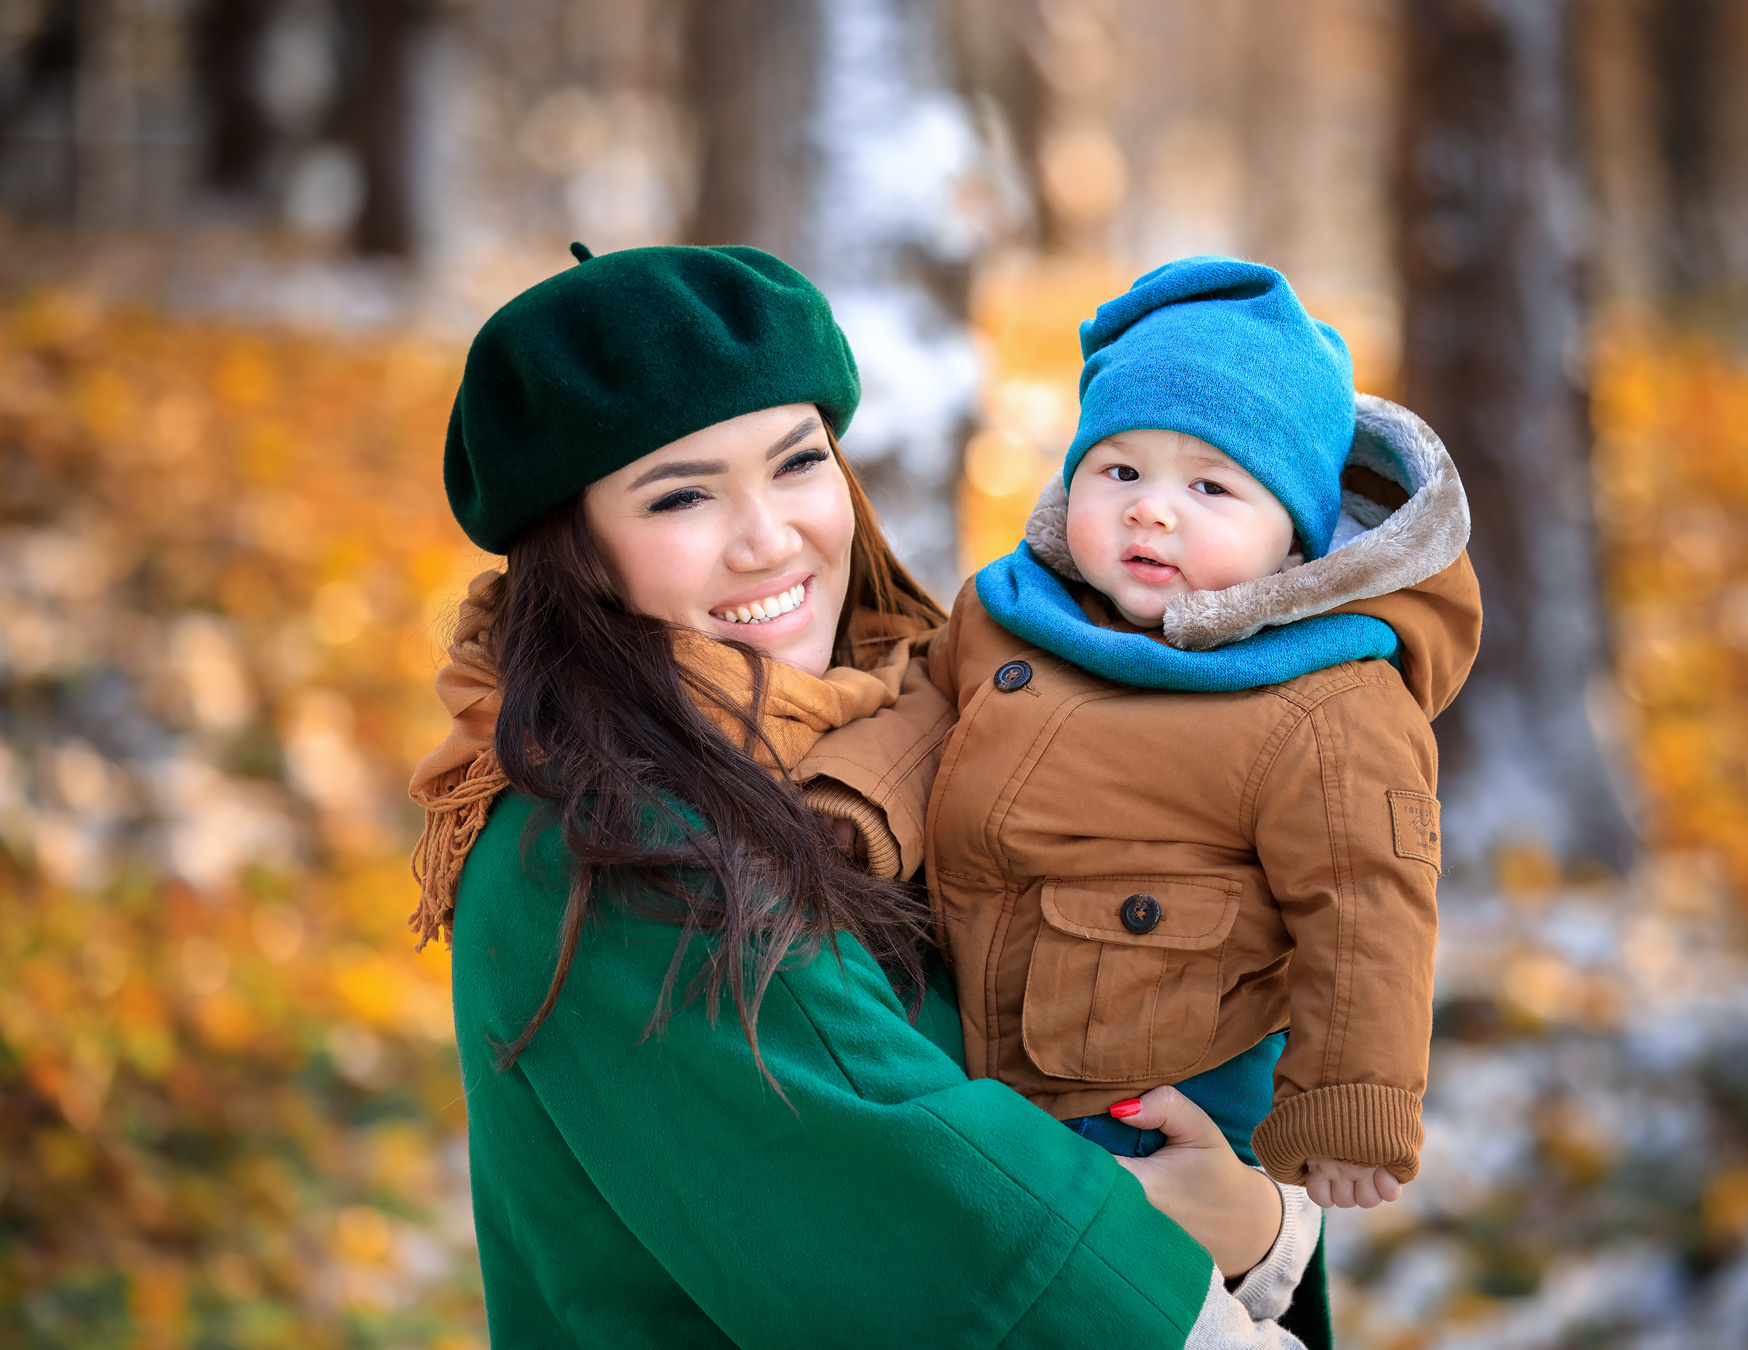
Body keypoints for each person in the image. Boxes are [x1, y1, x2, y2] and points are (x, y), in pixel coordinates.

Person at [407, 243, 1327, 1347]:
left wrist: (1258, 1221)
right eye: (682, 495)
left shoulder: (935, 719)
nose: (769, 539)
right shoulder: (607, 848)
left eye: (797, 464)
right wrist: (1217, 1266)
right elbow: (955, 1243)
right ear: (578, 551)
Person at [922, 257, 1482, 1210]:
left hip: (1153, 1099)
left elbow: (1367, 904)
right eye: (1120, 469)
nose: (1151, 506)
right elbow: (916, 720)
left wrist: (1351, 1103)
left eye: (1213, 489)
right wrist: (848, 804)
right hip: (958, 1054)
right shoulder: (1012, 610)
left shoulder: (1328, 701)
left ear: (1295, 543)